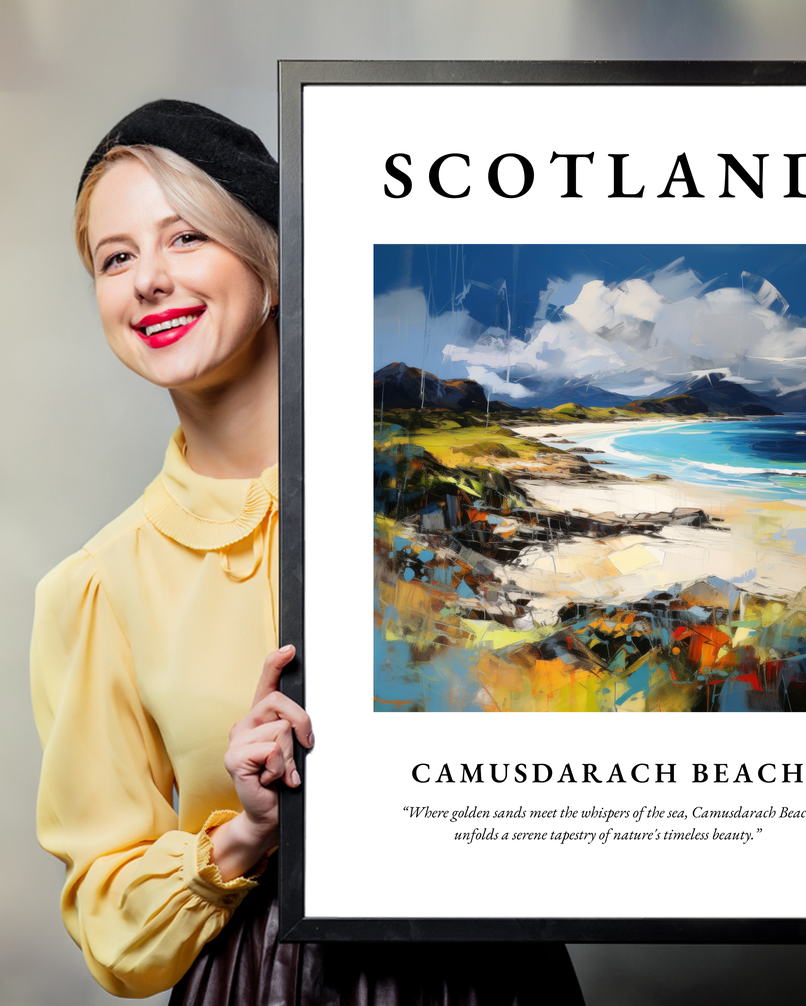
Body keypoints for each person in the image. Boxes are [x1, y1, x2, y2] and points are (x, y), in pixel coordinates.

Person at [30, 100, 585, 1004]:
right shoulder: (97, 587)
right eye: (116, 257)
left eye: (185, 239)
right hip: (263, 981)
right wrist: (245, 832)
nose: (148, 281)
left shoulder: (432, 496)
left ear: (273, 264)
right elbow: (110, 923)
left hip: (493, 973)